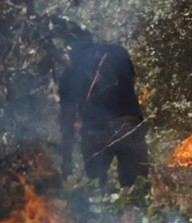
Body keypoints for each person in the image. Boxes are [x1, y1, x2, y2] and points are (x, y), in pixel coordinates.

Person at [58, 30, 149, 188]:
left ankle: (101, 209)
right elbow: (131, 82)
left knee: (96, 191)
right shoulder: (117, 51)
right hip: (129, 124)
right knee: (136, 190)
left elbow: (67, 116)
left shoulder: (70, 70)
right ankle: (136, 211)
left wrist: (67, 159)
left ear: (70, 47)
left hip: (95, 132)